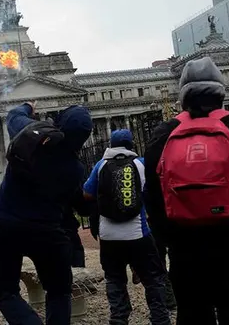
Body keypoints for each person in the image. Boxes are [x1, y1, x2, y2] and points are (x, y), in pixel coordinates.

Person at [143, 57, 229, 324]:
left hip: (185, 249)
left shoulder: (163, 133)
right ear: (220, 91)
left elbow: (153, 200)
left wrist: (171, 235)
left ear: (182, 95)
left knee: (193, 315)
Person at [0, 101, 93, 325]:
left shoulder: (30, 137)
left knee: (5, 291)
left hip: (8, 225)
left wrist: (27, 106)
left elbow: (13, 116)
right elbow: (77, 202)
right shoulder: (75, 169)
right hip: (47, 232)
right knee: (59, 291)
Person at [83, 129, 171, 325]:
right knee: (153, 279)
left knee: (114, 279)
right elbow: (154, 191)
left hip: (109, 235)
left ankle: (119, 318)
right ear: (131, 144)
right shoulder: (140, 164)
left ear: (111, 145)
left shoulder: (101, 164)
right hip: (138, 232)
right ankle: (160, 318)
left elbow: (87, 194)